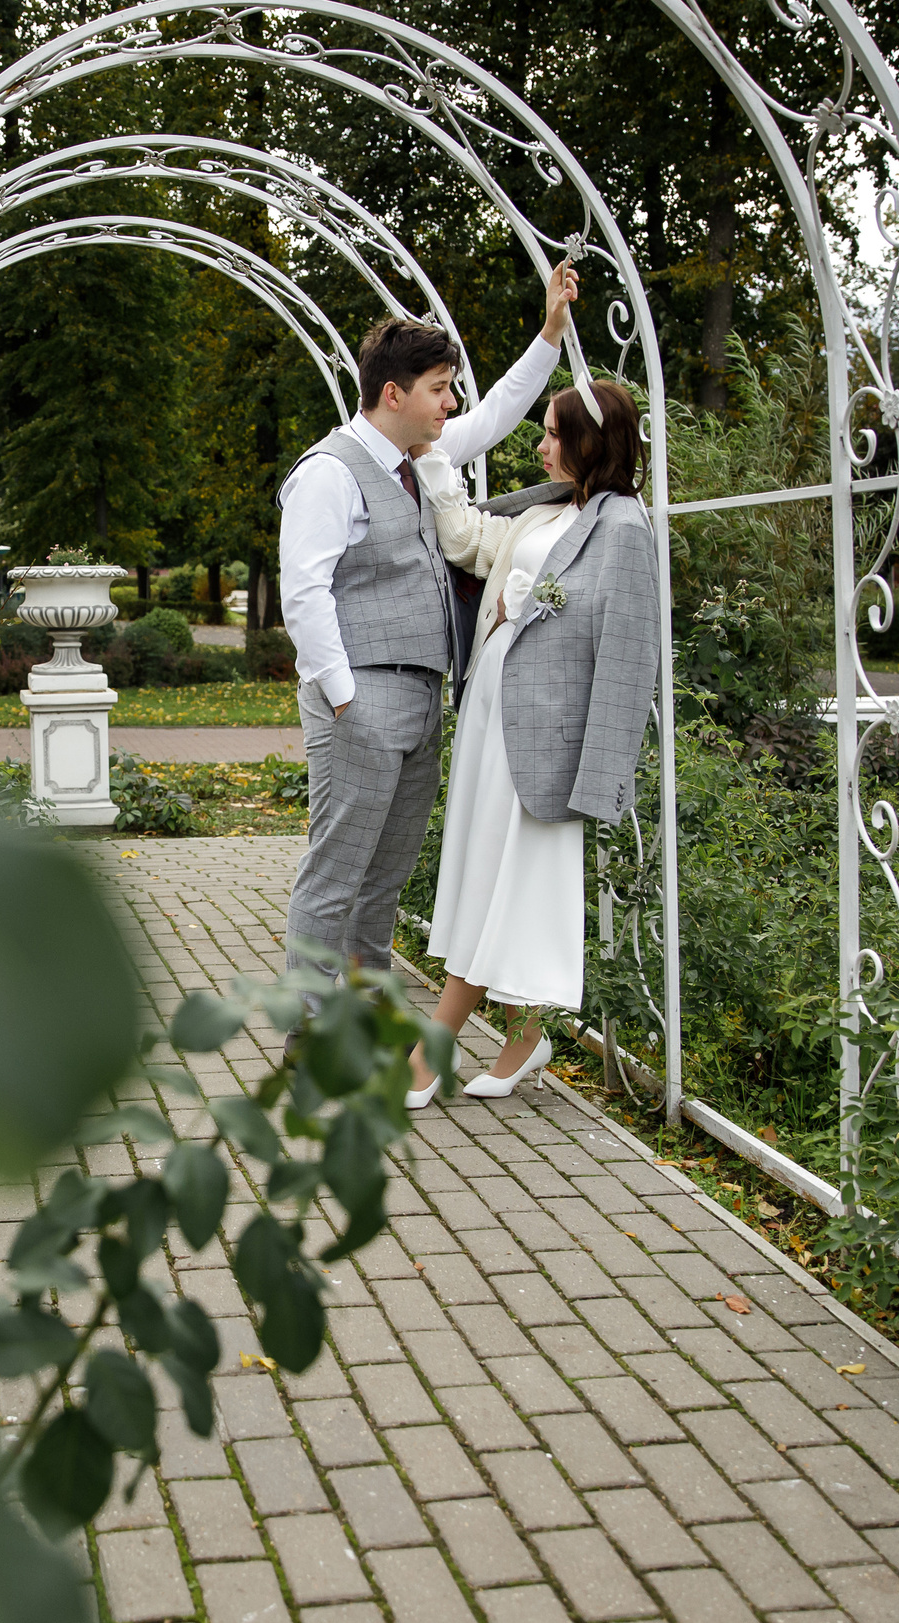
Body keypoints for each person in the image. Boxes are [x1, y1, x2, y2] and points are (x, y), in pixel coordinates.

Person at [276, 267, 582, 1006]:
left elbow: (500, 413)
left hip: (420, 694)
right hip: (361, 700)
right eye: (441, 388)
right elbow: (304, 591)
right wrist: (346, 700)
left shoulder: (419, 460)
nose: (452, 402)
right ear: (395, 394)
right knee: (336, 871)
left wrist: (549, 335)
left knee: (383, 878)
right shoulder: (330, 472)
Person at [400, 376, 661, 1103]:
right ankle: (523, 1040)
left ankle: (429, 1052)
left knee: (499, 882)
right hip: (492, 713)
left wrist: (600, 775)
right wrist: (430, 457)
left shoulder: (624, 529)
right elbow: (466, 543)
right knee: (484, 872)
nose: (541, 445)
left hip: (547, 740)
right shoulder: (546, 509)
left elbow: (630, 658)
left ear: (590, 440)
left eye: (553, 432)